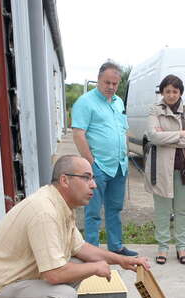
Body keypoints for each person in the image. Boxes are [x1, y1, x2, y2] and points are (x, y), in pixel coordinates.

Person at [0, 155, 151, 298]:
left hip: (17, 282)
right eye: (86, 178)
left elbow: (81, 249)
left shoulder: (61, 205)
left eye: (92, 179)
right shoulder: (45, 212)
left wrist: (123, 260)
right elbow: (54, 274)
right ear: (65, 180)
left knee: (74, 261)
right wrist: (94, 268)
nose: (93, 185)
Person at [72, 61, 137, 256]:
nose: (111, 87)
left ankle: (115, 247)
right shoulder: (85, 102)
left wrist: (125, 153)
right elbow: (78, 134)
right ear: (98, 80)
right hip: (97, 166)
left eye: (115, 84)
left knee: (115, 209)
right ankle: (91, 251)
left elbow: (123, 129)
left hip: (119, 166)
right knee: (92, 212)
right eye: (107, 82)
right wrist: (91, 164)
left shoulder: (118, 102)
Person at [145, 75, 185, 265]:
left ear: (180, 93)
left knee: (182, 210)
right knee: (162, 210)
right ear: (162, 92)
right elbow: (153, 136)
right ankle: (162, 247)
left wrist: (166, 138)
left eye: (175, 91)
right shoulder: (154, 110)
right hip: (160, 169)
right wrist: (180, 135)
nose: (171, 94)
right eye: (167, 91)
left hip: (184, 170)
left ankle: (181, 247)